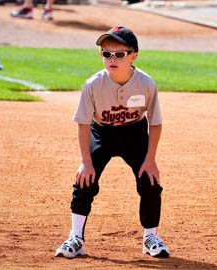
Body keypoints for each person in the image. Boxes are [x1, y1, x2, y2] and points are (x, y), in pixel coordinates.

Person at [55, 26, 169, 258]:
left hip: (135, 134)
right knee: (85, 180)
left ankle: (150, 238)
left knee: (150, 181)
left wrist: (150, 159)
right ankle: (76, 238)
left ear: (133, 56)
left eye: (119, 54)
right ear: (101, 56)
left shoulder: (146, 84)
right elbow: (84, 123)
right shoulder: (93, 85)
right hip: (101, 133)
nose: (112, 59)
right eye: (107, 54)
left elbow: (155, 123)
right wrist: (85, 162)